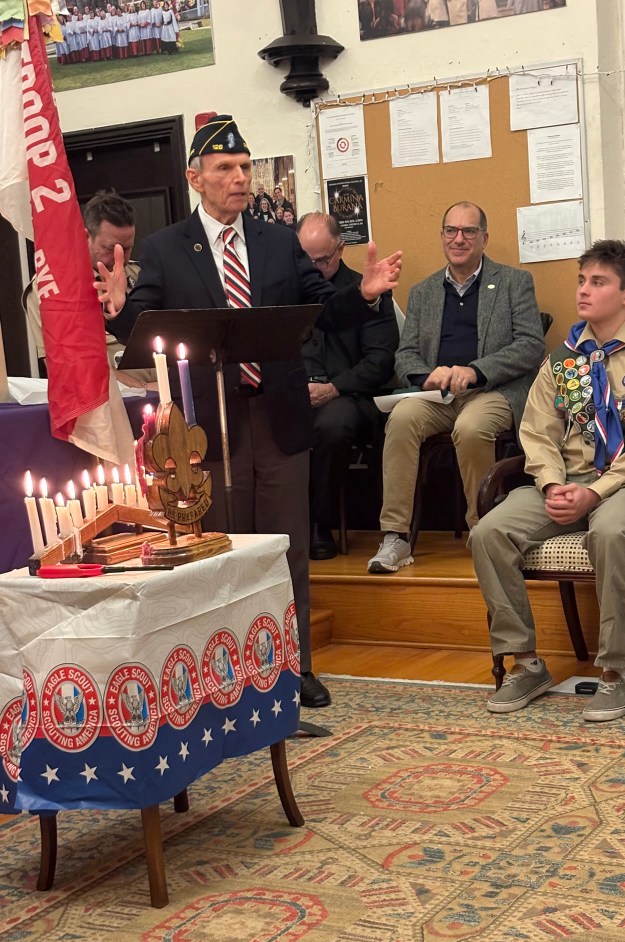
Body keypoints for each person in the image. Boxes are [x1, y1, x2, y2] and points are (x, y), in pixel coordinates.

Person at [97, 115, 401, 709]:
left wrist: (362, 295)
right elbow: (143, 322)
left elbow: (321, 310)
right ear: (195, 178)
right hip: (207, 427)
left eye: (243, 167)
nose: (239, 178)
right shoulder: (165, 248)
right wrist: (118, 309)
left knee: (285, 549)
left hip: (279, 416)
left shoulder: (277, 240)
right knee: (219, 552)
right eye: (225, 169)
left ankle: (295, 666)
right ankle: (225, 673)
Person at [471, 240, 625, 723]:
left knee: (612, 532)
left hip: (624, 484)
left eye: (598, 282)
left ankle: (615, 673)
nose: (583, 291)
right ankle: (526, 663)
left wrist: (595, 492)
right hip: (565, 481)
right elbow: (537, 433)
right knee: (488, 532)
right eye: (581, 280)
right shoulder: (564, 360)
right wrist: (552, 486)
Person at [367, 201, 544, 573]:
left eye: (468, 231)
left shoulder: (514, 282)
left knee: (471, 427)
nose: (458, 239)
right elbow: (405, 353)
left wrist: (476, 371)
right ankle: (396, 536)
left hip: (492, 391)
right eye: (451, 230)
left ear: (484, 238)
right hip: (437, 394)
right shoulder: (424, 291)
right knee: (401, 419)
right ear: (442, 235)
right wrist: (424, 376)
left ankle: (483, 529)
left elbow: (531, 345)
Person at [297, 212, 399, 560]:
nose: (312, 269)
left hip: (348, 396)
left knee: (333, 425)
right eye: (304, 260)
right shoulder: (287, 293)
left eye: (321, 261)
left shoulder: (365, 289)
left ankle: (319, 523)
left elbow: (380, 360)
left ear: (340, 249)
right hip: (295, 394)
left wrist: (333, 388)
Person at [23, 189, 146, 383]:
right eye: (109, 248)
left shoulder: (139, 274)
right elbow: (67, 367)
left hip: (166, 391)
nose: (119, 257)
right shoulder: (51, 287)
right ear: (85, 237)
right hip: (113, 397)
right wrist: (143, 388)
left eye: (127, 248)